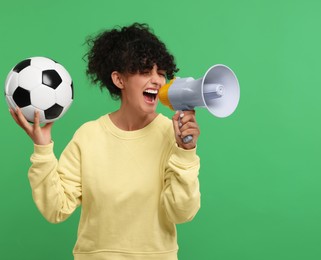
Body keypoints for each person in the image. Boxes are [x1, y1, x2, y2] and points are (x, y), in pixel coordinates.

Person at [10, 22, 201, 260]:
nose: (157, 81)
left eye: (161, 73)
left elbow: (182, 213)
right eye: (144, 72)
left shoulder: (171, 133)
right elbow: (55, 209)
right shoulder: (88, 136)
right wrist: (42, 149)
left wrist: (186, 151)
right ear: (119, 80)